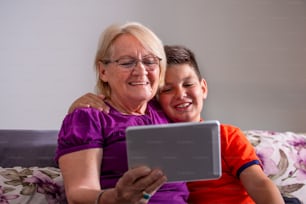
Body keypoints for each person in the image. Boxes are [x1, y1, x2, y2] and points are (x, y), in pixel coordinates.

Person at [68, 45, 285, 204]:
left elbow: (259, 183)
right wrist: (80, 107)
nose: (181, 95)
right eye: (167, 89)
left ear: (203, 88)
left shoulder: (226, 135)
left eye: (188, 84)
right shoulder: (152, 139)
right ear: (155, 99)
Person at [55, 22, 189, 204]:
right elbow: (78, 193)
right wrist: (116, 198)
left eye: (150, 62)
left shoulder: (165, 109)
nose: (141, 71)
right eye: (127, 63)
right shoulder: (88, 117)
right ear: (103, 71)